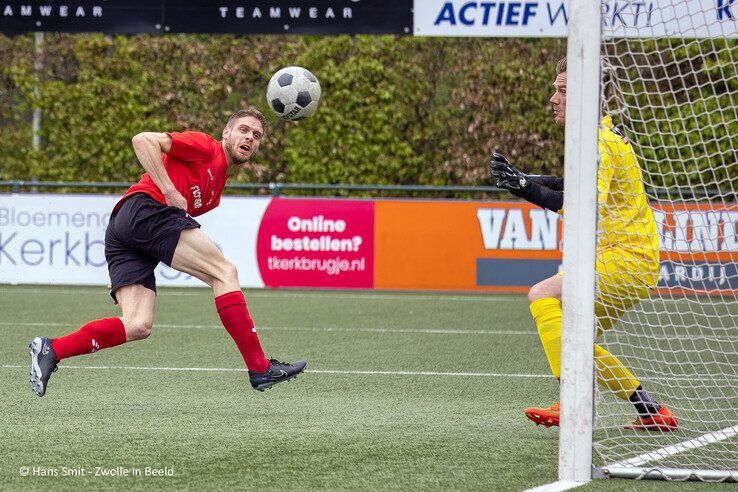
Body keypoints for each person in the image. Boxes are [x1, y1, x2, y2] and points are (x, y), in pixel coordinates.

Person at [29, 107, 306, 397]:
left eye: (257, 135)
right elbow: (142, 140)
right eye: (243, 130)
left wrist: (130, 260)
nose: (250, 137)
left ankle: (51, 349)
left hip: (127, 228)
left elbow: (165, 240)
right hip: (145, 209)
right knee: (224, 273)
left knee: (138, 324)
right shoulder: (205, 147)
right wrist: (169, 190)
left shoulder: (215, 194)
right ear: (226, 133)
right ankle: (260, 368)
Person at [490, 57, 678, 431]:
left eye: (562, 91)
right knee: (577, 342)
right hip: (624, 261)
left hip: (624, 259)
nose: (553, 98)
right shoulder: (598, 138)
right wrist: (524, 179)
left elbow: (582, 206)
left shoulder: (599, 142)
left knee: (541, 294)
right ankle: (652, 411)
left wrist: (526, 187)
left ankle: (572, 400)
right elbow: (568, 182)